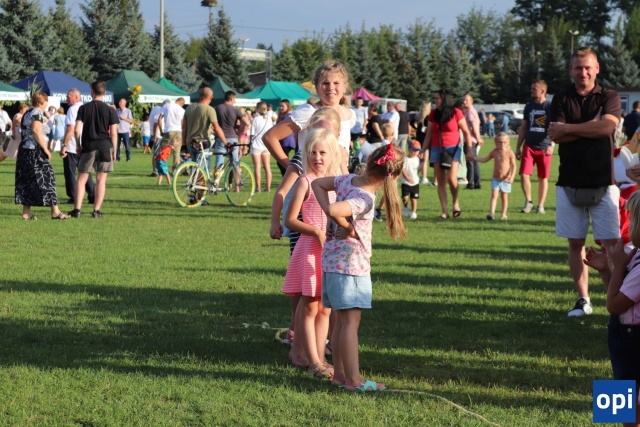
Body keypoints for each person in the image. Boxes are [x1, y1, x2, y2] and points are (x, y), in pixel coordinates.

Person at [312, 143, 406, 392]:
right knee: (350, 325)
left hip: (332, 264)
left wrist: (336, 220)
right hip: (351, 268)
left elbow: (317, 184)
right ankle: (354, 380)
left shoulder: (347, 180)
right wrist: (347, 226)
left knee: (341, 323)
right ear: (393, 176)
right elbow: (334, 208)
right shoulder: (364, 198)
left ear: (371, 159)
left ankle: (340, 376)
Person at [547, 47, 622, 317]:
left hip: (604, 182)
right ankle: (583, 300)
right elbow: (555, 135)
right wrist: (591, 127)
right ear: (571, 70)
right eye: (578, 68)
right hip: (569, 183)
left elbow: (607, 127)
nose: (583, 72)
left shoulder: (609, 96)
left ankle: (618, 301)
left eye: (588, 67)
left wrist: (569, 128)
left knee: (612, 245)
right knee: (575, 244)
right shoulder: (561, 98)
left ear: (597, 68)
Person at [271, 107, 342, 368]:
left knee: (325, 308)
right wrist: (316, 231)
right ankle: (309, 359)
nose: (317, 158)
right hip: (310, 249)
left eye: (323, 153)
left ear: (333, 154)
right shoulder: (305, 181)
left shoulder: (336, 182)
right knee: (309, 306)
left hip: (329, 251)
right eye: (313, 152)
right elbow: (291, 220)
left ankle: (315, 355)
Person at [584, 191, 640, 427]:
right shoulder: (636, 255)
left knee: (628, 404)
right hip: (623, 333)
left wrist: (617, 266)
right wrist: (606, 270)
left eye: (632, 220)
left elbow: (612, 305)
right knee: (622, 396)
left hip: (632, 338)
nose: (628, 226)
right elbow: (617, 296)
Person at [262, 60, 354, 174]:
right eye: (325, 83)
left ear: (345, 87)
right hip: (311, 180)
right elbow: (270, 137)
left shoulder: (348, 115)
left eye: (336, 83)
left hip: (338, 180)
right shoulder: (309, 112)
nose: (331, 87)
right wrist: (293, 169)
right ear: (316, 87)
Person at [14, 91, 70, 220]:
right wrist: (45, 149)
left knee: (28, 180)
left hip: (25, 150)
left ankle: (26, 212)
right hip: (35, 150)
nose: (46, 105)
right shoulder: (37, 112)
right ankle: (55, 212)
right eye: (45, 102)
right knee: (48, 178)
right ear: (40, 103)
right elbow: (35, 130)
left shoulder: (27, 112)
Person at [70, 81, 119, 219]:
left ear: (92, 92)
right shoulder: (110, 110)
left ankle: (77, 210)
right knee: (101, 180)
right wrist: (115, 150)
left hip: (89, 146)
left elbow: (76, 129)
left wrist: (78, 145)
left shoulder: (83, 108)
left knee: (82, 179)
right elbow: (114, 133)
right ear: (104, 93)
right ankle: (96, 210)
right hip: (105, 146)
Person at [421, 89, 473, 219]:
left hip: (453, 148)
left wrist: (469, 150)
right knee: (440, 180)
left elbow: (466, 132)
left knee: (451, 178)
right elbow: (429, 134)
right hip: (436, 148)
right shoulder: (433, 114)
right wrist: (422, 150)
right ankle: (444, 211)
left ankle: (455, 202)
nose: (435, 100)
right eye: (434, 98)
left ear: (444, 99)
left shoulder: (456, 112)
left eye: (437, 98)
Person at [516, 80, 554, 215]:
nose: (531, 90)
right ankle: (529, 202)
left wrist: (552, 144)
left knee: (543, 177)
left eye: (534, 89)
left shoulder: (550, 106)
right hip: (529, 146)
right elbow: (524, 127)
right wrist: (518, 147)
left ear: (542, 91)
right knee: (524, 174)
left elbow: (555, 127)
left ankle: (541, 205)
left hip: (544, 147)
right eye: (531, 88)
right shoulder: (529, 106)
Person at [60, 88, 95, 206]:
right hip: (85, 144)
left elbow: (71, 128)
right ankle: (92, 194)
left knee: (70, 172)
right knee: (85, 171)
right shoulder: (86, 108)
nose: (66, 99)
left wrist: (64, 145)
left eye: (68, 96)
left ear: (76, 97)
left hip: (72, 146)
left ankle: (73, 196)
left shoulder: (73, 109)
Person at [182, 88, 227, 173]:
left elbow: (184, 127)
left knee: (194, 168)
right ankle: (199, 181)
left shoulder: (189, 108)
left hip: (190, 141)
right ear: (211, 97)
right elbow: (216, 127)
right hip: (202, 142)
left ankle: (194, 180)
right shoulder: (209, 109)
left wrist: (183, 143)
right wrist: (226, 143)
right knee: (202, 171)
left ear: (200, 95)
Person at [474, 132, 517, 220]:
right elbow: (485, 159)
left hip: (506, 179)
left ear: (508, 142)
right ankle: (492, 214)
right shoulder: (495, 152)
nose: (502, 144)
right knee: (494, 195)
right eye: (500, 142)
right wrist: (474, 158)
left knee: (504, 197)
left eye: (504, 142)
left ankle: (503, 214)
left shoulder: (510, 153)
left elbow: (514, 166)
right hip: (496, 178)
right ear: (496, 142)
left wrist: (512, 177)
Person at [214, 91, 250, 170]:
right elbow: (247, 123)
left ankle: (217, 177)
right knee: (235, 163)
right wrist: (240, 133)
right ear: (231, 99)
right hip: (233, 138)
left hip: (221, 137)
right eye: (234, 99)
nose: (234, 101)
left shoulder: (217, 108)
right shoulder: (236, 110)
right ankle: (237, 178)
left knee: (219, 163)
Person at [250, 102, 273, 192]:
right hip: (266, 145)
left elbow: (252, 133)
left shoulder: (255, 119)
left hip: (256, 144)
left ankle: (258, 187)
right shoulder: (269, 119)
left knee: (257, 167)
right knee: (267, 166)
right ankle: (268, 187)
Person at [462, 93, 484, 190]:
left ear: (471, 101)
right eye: (464, 100)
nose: (464, 102)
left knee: (470, 161)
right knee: (474, 161)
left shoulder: (470, 111)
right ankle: (477, 183)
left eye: (466, 100)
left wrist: (478, 138)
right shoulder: (470, 110)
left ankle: (471, 183)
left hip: (470, 140)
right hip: (472, 139)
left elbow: (474, 126)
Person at [158, 97, 186, 172]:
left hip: (169, 130)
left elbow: (159, 118)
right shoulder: (182, 110)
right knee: (177, 152)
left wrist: (161, 131)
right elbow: (183, 123)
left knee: (163, 150)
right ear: (182, 103)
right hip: (178, 131)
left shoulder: (167, 105)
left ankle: (163, 168)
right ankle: (175, 171)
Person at [411, 101, 432, 185]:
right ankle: (423, 177)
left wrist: (416, 128)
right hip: (425, 139)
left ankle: (416, 174)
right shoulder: (428, 117)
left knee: (419, 159)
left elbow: (411, 122)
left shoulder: (418, 116)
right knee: (425, 160)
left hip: (418, 139)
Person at [401, 140, 421, 219]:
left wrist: (423, 162)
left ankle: (414, 212)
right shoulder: (405, 159)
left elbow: (418, 169)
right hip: (406, 182)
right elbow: (403, 169)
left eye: (417, 151)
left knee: (414, 198)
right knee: (405, 198)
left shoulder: (417, 159)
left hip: (415, 183)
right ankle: (406, 207)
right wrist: (407, 178)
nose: (415, 152)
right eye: (414, 150)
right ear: (409, 149)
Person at [275, 100, 295, 176]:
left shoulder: (286, 117)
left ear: (288, 106)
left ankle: (288, 177)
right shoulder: (289, 115)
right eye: (280, 106)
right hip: (289, 140)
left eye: (283, 106)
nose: (281, 108)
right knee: (282, 161)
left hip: (286, 141)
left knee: (282, 161)